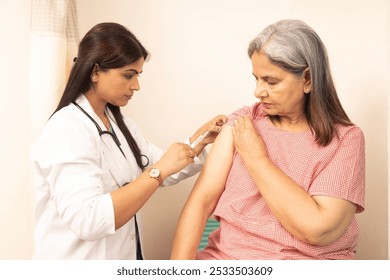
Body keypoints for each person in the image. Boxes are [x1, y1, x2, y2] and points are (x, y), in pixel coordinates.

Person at [170, 19, 365, 260]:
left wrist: (257, 159)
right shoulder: (243, 122)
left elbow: (319, 230)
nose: (258, 91)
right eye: (256, 78)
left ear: (307, 79)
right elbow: (201, 203)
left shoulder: (345, 140)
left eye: (271, 81)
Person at [31, 22, 227, 260]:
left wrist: (203, 140)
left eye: (137, 75)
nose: (136, 86)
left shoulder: (119, 124)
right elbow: (88, 219)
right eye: (128, 75)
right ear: (95, 72)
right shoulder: (66, 130)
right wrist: (158, 171)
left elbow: (161, 164)